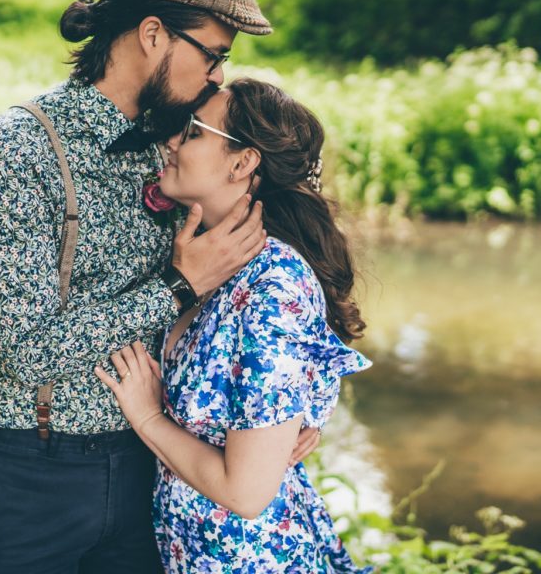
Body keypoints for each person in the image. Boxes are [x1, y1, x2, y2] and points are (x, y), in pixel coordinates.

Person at [0, 0, 320, 573]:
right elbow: (26, 347)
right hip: (28, 478)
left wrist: (280, 419)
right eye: (213, 54)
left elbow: (259, 292)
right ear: (153, 34)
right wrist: (177, 284)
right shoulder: (19, 150)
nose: (218, 76)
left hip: (155, 475)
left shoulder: (178, 150)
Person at [96, 78, 373, 573]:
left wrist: (148, 418)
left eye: (192, 132)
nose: (171, 141)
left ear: (243, 163)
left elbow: (246, 492)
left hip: (251, 558)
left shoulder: (275, 287)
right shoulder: (204, 258)